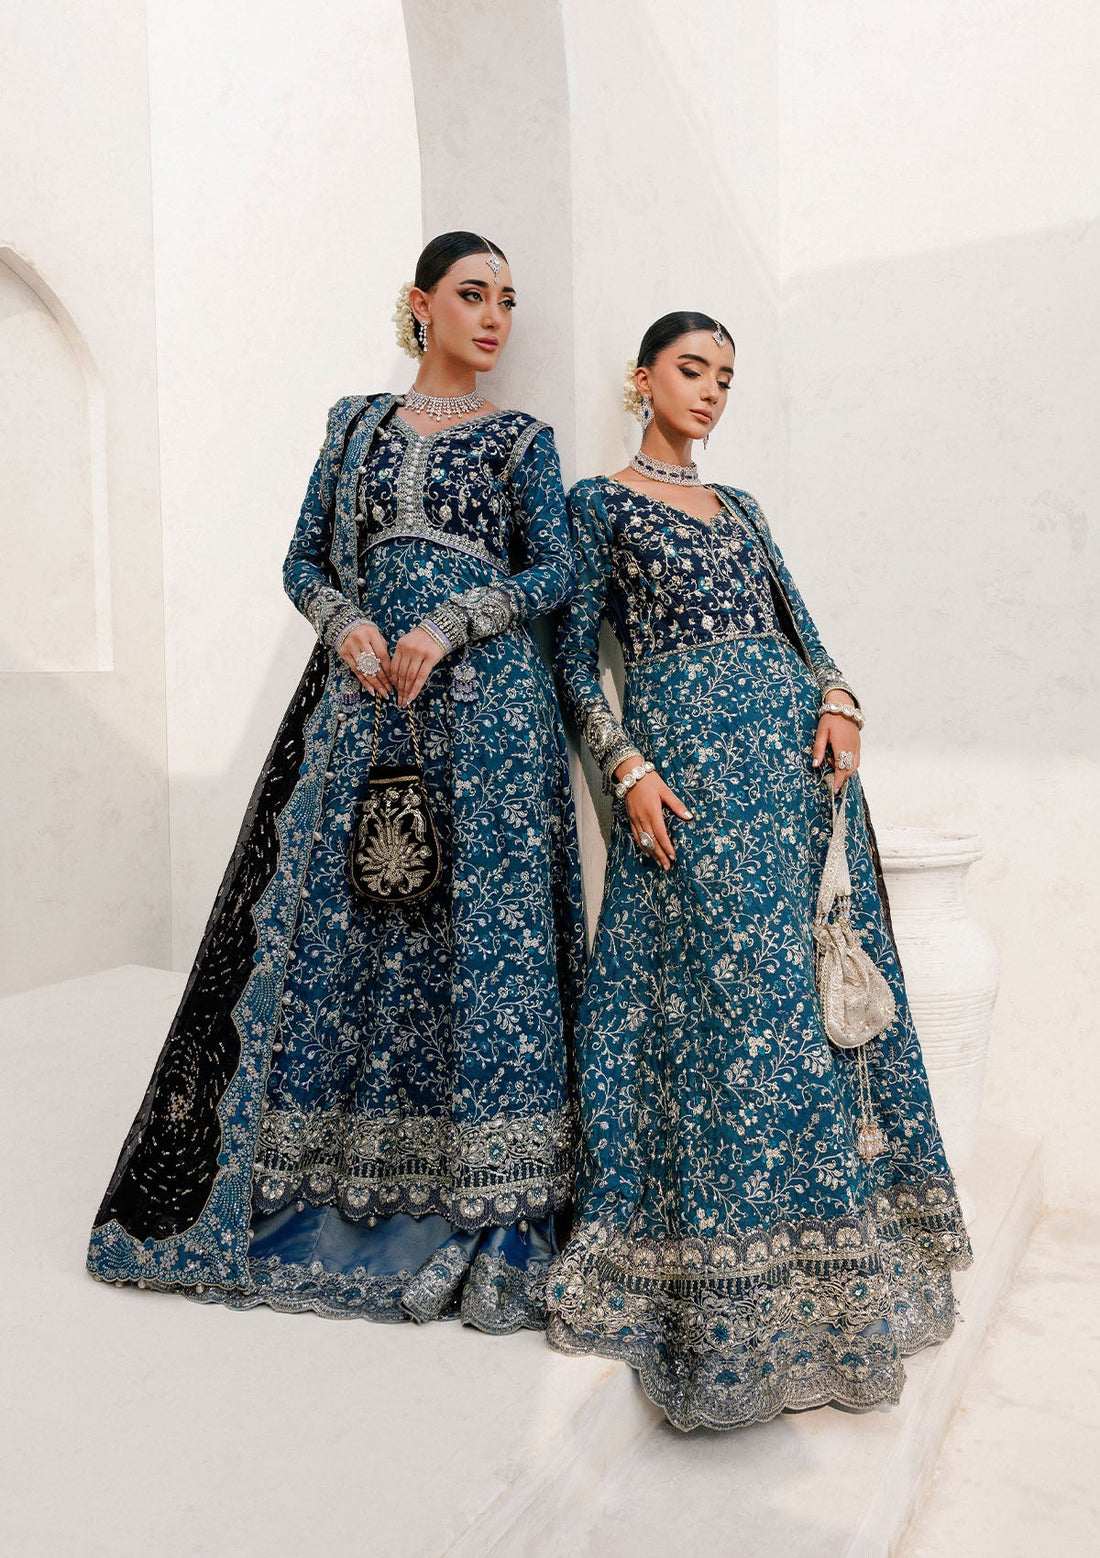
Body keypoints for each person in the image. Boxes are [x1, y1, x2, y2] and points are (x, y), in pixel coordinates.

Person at [87, 232, 586, 1333]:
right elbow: (301, 558)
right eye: (472, 295)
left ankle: (490, 1208)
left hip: (489, 719)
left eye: (507, 300)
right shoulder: (354, 425)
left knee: (479, 944)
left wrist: (451, 623)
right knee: (349, 933)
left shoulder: (521, 440)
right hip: (366, 712)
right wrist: (346, 622)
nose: (494, 318)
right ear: (420, 304)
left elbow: (557, 569)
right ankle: (331, 1191)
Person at [545, 311, 971, 1429]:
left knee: (800, 1003)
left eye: (726, 378)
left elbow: (805, 632)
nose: (710, 392)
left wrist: (839, 700)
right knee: (730, 1006)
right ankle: (724, 1277)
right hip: (690, 773)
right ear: (643, 377)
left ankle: (822, 1266)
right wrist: (627, 767)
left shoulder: (742, 509)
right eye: (691, 369)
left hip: (793, 771)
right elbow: (575, 661)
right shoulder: (597, 504)